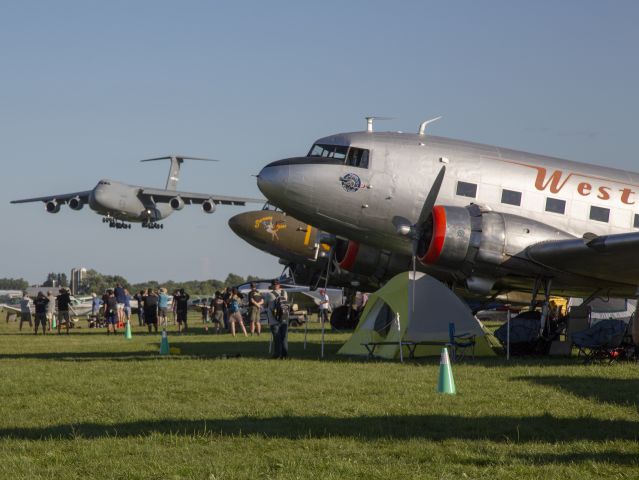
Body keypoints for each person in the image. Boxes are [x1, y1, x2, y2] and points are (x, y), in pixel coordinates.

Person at [267, 280, 289, 358]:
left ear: (272, 286)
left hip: (274, 319)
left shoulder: (270, 294)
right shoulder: (284, 292)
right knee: (284, 337)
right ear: (279, 285)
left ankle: (277, 355)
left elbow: (268, 305)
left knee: (277, 338)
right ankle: (285, 354)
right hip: (284, 317)